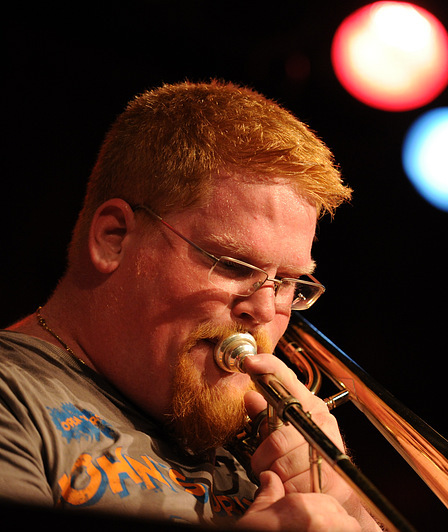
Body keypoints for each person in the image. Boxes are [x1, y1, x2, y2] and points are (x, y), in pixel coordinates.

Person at [0, 80, 380, 531]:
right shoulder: (15, 398)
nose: (262, 310)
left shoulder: (259, 442)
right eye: (235, 265)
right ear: (114, 238)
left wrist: (344, 500)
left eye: (286, 283)